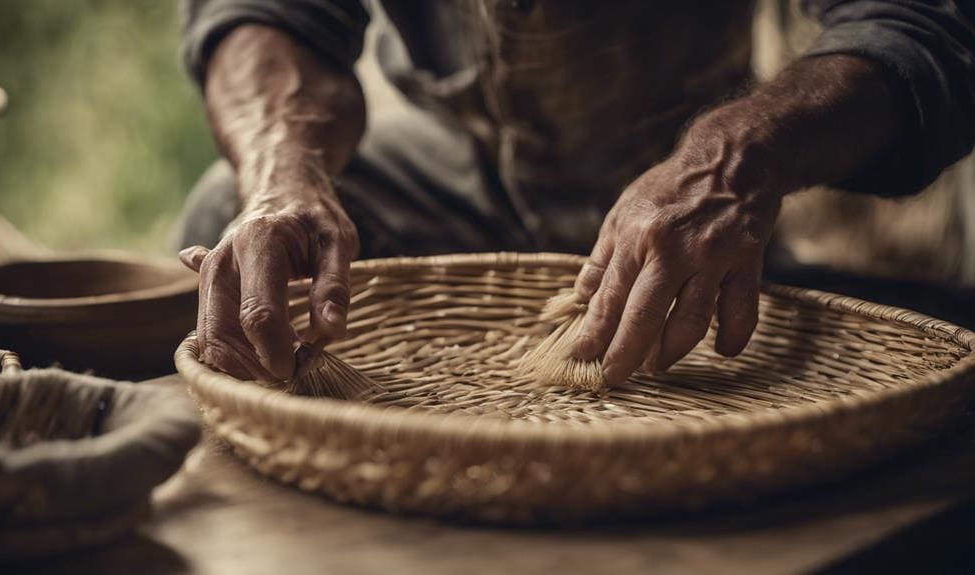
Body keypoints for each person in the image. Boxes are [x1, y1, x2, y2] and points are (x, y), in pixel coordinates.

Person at [176, 0, 975, 386]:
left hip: (705, 170)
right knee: (237, 232)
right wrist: (283, 167)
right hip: (464, 169)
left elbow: (920, 22)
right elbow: (266, 16)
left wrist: (737, 158)